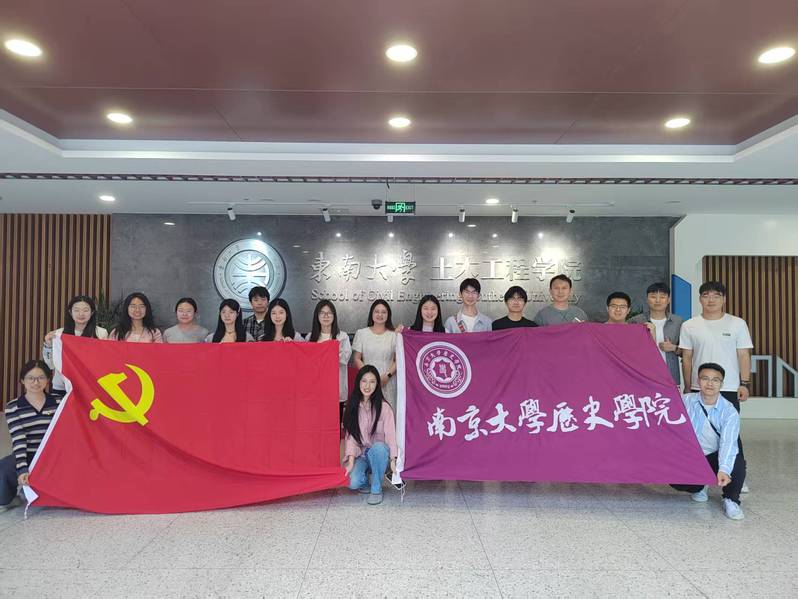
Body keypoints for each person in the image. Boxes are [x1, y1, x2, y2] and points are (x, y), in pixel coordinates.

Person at [678, 281, 753, 491]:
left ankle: (737, 475)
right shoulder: (689, 325)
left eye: (716, 295)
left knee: (731, 433)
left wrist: (744, 383)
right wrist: (688, 386)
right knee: (697, 433)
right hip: (698, 387)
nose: (711, 300)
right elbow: (687, 358)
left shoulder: (737, 324)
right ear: (700, 299)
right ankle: (699, 475)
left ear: (724, 299)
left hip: (728, 387)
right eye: (706, 295)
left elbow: (743, 354)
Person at [670, 363, 746, 520]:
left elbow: (728, 443)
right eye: (705, 379)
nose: (710, 384)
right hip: (692, 456)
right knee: (676, 480)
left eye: (715, 380)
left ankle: (731, 500)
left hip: (714, 456)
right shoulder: (685, 401)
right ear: (698, 381)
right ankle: (700, 486)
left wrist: (724, 469)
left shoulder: (729, 410)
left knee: (736, 462)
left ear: (721, 384)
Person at [1, 361, 61, 512]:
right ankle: (6, 500)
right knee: (5, 466)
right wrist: (22, 468)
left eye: (41, 378)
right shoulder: (13, 407)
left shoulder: (58, 402)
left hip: (53, 455)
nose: (36, 382)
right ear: (22, 380)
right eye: (31, 378)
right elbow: (19, 438)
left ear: (48, 380)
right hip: (28, 454)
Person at [343, 365, 398, 506]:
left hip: (380, 456)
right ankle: (365, 481)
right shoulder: (352, 407)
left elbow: (391, 436)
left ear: (377, 384)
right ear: (358, 382)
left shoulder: (384, 408)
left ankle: (376, 488)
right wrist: (351, 462)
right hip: (361, 455)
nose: (367, 386)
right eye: (364, 381)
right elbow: (351, 437)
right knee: (352, 483)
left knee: (379, 448)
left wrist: (393, 460)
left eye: (372, 382)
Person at [42, 295, 109, 395]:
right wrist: (48, 345)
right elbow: (50, 364)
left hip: (90, 386)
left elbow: (104, 361)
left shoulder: (101, 333)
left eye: (86, 310)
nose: (81, 314)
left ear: (92, 312)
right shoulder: (58, 334)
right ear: (70, 312)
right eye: (76, 310)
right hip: (62, 386)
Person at [306, 300, 352, 422]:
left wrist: (329, 353)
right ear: (317, 316)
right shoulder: (310, 337)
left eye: (329, 313)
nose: (326, 316)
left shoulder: (342, 337)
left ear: (334, 316)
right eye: (322, 313)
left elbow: (345, 359)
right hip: (316, 390)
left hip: (336, 389)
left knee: (334, 425)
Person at [629, 282, 684, 386]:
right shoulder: (636, 321)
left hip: (670, 375)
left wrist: (674, 348)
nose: (658, 300)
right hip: (643, 375)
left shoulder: (678, 321)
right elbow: (629, 350)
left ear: (668, 300)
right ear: (647, 299)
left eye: (662, 297)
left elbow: (686, 352)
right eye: (653, 297)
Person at [352, 300, 397, 410]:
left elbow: (398, 360)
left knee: (388, 413)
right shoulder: (361, 333)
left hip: (387, 381)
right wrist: (369, 377)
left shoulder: (394, 335)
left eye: (383, 312)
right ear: (371, 314)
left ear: (388, 315)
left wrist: (387, 376)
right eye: (377, 311)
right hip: (367, 382)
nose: (380, 315)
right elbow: (357, 358)